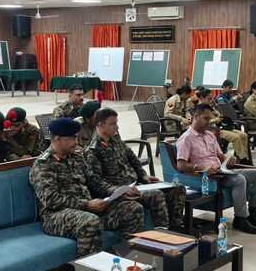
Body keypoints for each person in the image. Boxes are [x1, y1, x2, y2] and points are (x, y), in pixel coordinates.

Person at [30, 118, 144, 256]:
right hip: (55, 216)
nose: (76, 142)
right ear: (57, 139)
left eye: (76, 137)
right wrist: (87, 204)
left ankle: (127, 257)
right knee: (89, 221)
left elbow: (94, 181)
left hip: (88, 209)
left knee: (133, 209)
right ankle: (89, 266)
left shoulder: (76, 158)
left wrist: (116, 191)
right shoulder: (43, 165)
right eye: (72, 138)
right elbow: (51, 199)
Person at [85, 108, 185, 233]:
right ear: (100, 125)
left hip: (135, 185)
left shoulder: (116, 141)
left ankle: (176, 228)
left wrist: (144, 176)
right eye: (113, 124)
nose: (117, 127)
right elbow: (95, 181)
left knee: (177, 188)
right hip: (118, 193)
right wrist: (117, 190)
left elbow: (133, 159)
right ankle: (162, 233)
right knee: (156, 195)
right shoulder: (93, 151)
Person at [176, 104, 256, 234]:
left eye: (210, 119)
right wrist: (199, 167)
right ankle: (240, 219)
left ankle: (252, 214)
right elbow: (180, 165)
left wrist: (229, 160)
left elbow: (220, 156)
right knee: (239, 180)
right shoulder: (186, 138)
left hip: (222, 171)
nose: (208, 122)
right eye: (205, 118)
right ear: (195, 117)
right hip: (208, 176)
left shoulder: (209, 135)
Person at [194, 87, 251, 163]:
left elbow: (219, 115)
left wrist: (217, 110)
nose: (211, 100)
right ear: (202, 98)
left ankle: (242, 157)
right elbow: (200, 123)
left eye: (212, 98)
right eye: (209, 99)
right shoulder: (199, 109)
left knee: (244, 135)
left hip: (220, 127)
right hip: (211, 130)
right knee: (236, 137)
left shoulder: (209, 106)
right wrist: (215, 120)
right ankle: (243, 159)